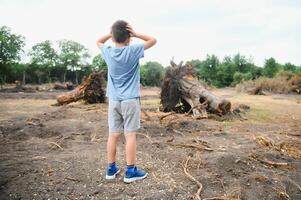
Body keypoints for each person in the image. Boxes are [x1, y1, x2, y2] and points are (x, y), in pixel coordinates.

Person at [96, 20, 157, 183]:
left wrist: (111, 33)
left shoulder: (108, 51)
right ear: (129, 36)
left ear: (114, 36)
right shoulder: (133, 50)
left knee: (113, 135)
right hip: (130, 99)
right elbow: (152, 40)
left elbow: (98, 42)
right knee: (130, 135)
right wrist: (136, 34)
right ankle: (130, 172)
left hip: (114, 100)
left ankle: (111, 169)